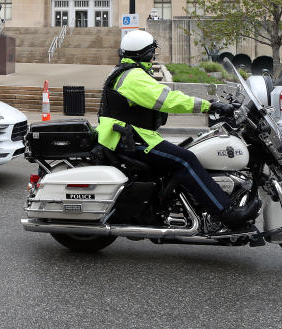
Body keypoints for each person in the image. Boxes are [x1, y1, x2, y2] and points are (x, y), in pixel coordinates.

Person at [96, 30, 260, 230]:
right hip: (128, 139)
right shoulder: (133, 77)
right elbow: (168, 100)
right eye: (151, 53)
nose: (153, 57)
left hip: (130, 136)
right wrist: (210, 105)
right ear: (144, 54)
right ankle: (226, 213)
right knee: (186, 159)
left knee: (185, 154)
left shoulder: (126, 72)